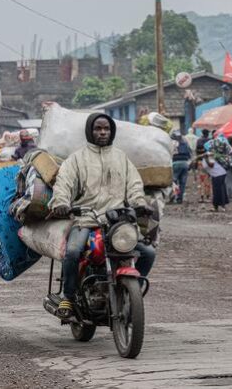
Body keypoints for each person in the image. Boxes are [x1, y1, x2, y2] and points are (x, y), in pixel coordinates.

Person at [49, 113, 156, 318]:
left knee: (148, 252)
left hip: (116, 222)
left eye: (106, 129)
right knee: (72, 252)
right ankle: (68, 296)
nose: (102, 132)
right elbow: (64, 183)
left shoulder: (121, 158)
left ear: (112, 131)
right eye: (98, 129)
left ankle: (131, 293)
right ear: (90, 131)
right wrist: (61, 203)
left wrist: (139, 204)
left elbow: (133, 184)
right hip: (85, 220)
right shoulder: (77, 159)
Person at [171, 131, 192, 204]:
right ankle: (180, 198)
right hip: (185, 164)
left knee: (173, 181)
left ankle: (174, 196)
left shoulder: (172, 143)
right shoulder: (185, 143)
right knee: (182, 183)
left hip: (175, 163)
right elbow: (190, 154)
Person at [195, 129, 212, 202]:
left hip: (200, 162)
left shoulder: (199, 141)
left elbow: (197, 152)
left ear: (202, 133)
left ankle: (201, 196)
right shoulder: (210, 141)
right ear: (208, 134)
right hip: (209, 162)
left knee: (201, 179)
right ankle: (208, 196)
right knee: (208, 179)